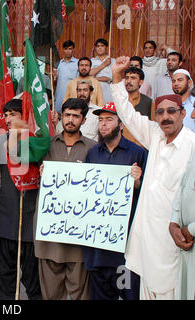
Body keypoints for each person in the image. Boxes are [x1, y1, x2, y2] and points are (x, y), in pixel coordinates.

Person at [110, 56, 195, 299]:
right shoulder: (155, 135)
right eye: (160, 112)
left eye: (171, 111)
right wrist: (117, 79)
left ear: (182, 113)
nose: (165, 117)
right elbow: (127, 114)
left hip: (174, 244)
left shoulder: (192, 146)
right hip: (145, 242)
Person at [0, 99, 42, 300]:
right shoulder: (3, 139)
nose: (8, 119)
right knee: (5, 280)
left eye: (13, 114)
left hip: (31, 222)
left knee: (33, 279)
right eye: (6, 115)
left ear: (25, 116)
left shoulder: (39, 140)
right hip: (6, 220)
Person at [84, 102, 148, 300]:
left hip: (125, 253)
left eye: (109, 120)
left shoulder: (137, 153)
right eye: (100, 120)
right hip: (97, 251)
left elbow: (148, 195)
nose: (103, 125)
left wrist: (137, 183)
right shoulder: (93, 153)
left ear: (121, 124)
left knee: (128, 295)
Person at [36, 98, 96, 300]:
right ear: (61, 117)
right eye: (67, 115)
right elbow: (22, 166)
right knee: (51, 293)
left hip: (79, 234)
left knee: (79, 293)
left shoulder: (93, 148)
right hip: (50, 233)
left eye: (76, 116)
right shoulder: (45, 144)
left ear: (84, 120)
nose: (70, 120)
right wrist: (41, 173)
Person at [169, 106, 195, 299]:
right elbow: (184, 186)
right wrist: (174, 222)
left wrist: (191, 229)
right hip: (187, 245)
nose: (192, 115)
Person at [123, 67, 155, 147]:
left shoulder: (149, 102)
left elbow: (153, 128)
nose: (128, 81)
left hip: (142, 147)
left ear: (141, 82)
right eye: (127, 78)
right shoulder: (120, 101)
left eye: (133, 78)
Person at [54, 40, 79, 113]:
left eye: (70, 49)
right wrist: (54, 77)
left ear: (73, 50)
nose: (68, 51)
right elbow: (55, 82)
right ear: (63, 50)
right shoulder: (59, 63)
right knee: (58, 115)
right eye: (66, 49)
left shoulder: (77, 63)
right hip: (59, 95)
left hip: (72, 95)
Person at [90, 38, 116, 104]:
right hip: (94, 88)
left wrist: (95, 78)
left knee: (107, 109)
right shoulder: (92, 61)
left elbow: (111, 77)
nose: (100, 48)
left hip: (108, 89)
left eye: (102, 46)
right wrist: (104, 64)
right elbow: (89, 74)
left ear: (106, 47)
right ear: (95, 48)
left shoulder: (112, 61)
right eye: (98, 46)